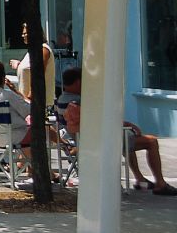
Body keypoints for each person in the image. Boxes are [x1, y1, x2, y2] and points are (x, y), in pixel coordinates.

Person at [55, 67, 177, 196]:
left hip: (79, 140)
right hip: (96, 142)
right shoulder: (77, 103)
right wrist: (124, 125)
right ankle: (160, 183)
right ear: (79, 82)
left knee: (126, 138)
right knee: (151, 141)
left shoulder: (61, 100)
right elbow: (95, 123)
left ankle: (140, 179)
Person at [9, 23, 56, 107]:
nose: (23, 35)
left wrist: (31, 95)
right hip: (27, 101)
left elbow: (39, 73)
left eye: (25, 33)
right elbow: (30, 68)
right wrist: (19, 65)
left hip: (39, 103)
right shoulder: (32, 51)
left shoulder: (43, 49)